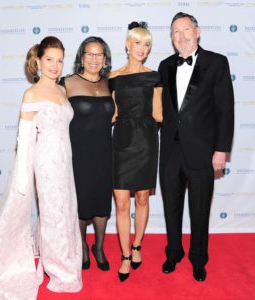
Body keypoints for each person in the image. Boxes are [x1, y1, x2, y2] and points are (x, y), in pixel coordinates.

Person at [0, 36, 82, 299]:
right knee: (53, 214)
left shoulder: (62, 90)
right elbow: (24, 139)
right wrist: (23, 177)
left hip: (65, 160)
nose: (55, 66)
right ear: (38, 61)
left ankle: (66, 260)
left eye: (59, 61)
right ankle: (60, 272)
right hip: (45, 162)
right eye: (49, 60)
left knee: (64, 212)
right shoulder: (31, 94)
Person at [158, 12, 234, 281]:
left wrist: (221, 149)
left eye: (185, 29)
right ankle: (173, 253)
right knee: (171, 208)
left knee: (200, 209)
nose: (181, 35)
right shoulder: (165, 65)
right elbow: (160, 109)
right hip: (170, 152)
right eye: (175, 32)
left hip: (203, 151)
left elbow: (225, 109)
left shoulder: (217, 63)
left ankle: (198, 259)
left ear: (197, 31)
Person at [109, 21, 163, 282]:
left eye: (147, 44)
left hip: (146, 140)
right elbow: (112, 114)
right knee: (120, 201)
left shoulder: (155, 76)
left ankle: (137, 245)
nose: (142, 48)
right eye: (138, 42)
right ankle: (125, 256)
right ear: (128, 45)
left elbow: (159, 114)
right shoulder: (112, 78)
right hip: (121, 141)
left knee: (142, 197)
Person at [60, 37, 114, 271]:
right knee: (81, 204)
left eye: (99, 54)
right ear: (81, 56)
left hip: (105, 152)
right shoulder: (67, 83)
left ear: (105, 59)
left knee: (102, 203)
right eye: (89, 54)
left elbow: (118, 114)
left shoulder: (110, 84)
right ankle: (82, 246)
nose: (94, 59)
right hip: (77, 154)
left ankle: (98, 247)